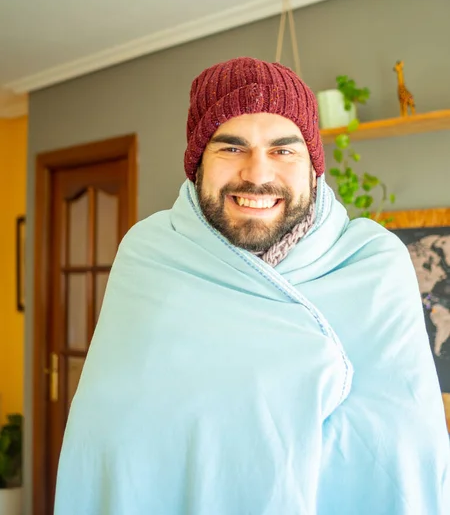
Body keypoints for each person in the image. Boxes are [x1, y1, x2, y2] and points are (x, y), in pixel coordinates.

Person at [54, 57, 450, 515]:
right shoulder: (150, 256)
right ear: (197, 165)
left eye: (284, 150)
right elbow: (105, 445)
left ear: (313, 167)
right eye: (231, 148)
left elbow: (407, 453)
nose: (258, 174)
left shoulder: (374, 264)